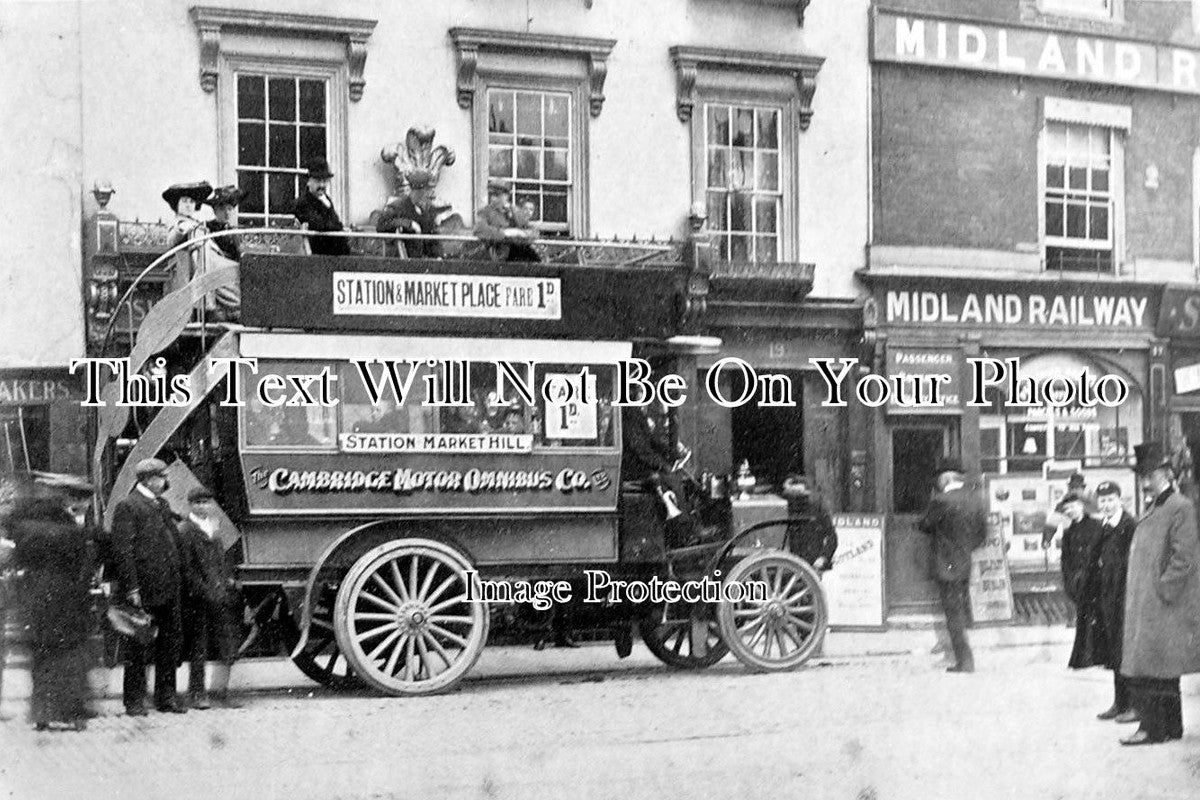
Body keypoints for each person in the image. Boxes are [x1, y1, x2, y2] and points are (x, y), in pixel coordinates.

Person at [1118, 443, 1200, 745]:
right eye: (1141, 475)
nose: (1143, 481)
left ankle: (1151, 729)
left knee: (1153, 667)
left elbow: (1185, 557)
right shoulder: (1156, 506)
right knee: (1161, 668)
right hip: (1151, 602)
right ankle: (1170, 728)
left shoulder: (1180, 506)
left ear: (1165, 474)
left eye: (1148, 475)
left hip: (1163, 603)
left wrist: (1163, 589)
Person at [7, 479, 95, 731]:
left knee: (43, 659)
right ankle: (72, 713)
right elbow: (79, 555)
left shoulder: (27, 522)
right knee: (69, 658)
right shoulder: (67, 524)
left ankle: (42, 713)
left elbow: (20, 554)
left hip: (37, 599)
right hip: (66, 598)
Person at [109, 458, 187, 715]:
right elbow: (123, 551)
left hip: (168, 587)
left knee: (169, 643)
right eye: (162, 477)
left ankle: (166, 698)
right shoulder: (128, 506)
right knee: (138, 646)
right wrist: (132, 589)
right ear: (148, 480)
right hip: (143, 589)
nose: (165, 482)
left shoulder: (161, 505)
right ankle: (134, 701)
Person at [917, 458, 987, 673]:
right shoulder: (974, 499)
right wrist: (964, 548)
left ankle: (964, 662)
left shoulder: (941, 500)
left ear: (945, 478)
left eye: (938, 479)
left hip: (945, 565)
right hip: (964, 563)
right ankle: (964, 659)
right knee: (960, 611)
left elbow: (926, 525)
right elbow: (981, 535)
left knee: (953, 615)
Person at [178, 487, 243, 710]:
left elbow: (221, 560)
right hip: (199, 597)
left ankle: (222, 690)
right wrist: (204, 590)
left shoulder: (214, 526)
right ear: (190, 505)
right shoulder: (185, 530)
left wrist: (226, 581)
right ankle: (197, 693)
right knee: (199, 646)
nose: (203, 506)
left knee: (225, 642)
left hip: (219, 594)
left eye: (206, 502)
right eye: (198, 503)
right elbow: (187, 569)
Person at [1089, 481, 1138, 722]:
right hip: (1109, 597)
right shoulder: (1104, 525)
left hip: (1125, 597)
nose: (1106, 505)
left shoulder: (1129, 525)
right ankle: (1120, 703)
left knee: (1126, 651)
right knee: (1114, 652)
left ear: (1119, 500)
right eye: (1103, 501)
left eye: (1110, 500)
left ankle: (1133, 705)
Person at [162, 181, 215, 296]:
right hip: (187, 270)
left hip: (207, 263)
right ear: (176, 203)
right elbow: (170, 241)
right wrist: (181, 229)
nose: (188, 205)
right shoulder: (176, 222)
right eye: (184, 201)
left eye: (191, 201)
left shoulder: (197, 223)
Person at [376, 169, 442, 259]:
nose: (427, 195)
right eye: (423, 192)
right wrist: (408, 223)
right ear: (415, 191)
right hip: (402, 263)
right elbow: (381, 226)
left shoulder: (428, 210)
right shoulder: (397, 206)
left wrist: (438, 256)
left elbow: (434, 238)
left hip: (424, 262)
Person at [293, 159, 351, 256]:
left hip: (337, 254)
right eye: (318, 181)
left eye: (325, 181)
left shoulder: (326, 200)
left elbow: (337, 224)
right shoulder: (303, 203)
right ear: (308, 182)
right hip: (319, 256)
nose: (322, 185)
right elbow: (320, 225)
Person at [781, 473, 838, 573]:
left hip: (812, 565)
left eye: (799, 495)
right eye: (791, 495)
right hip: (788, 566)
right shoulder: (783, 510)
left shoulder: (818, 509)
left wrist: (823, 558)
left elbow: (832, 536)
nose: (796, 500)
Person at [473, 180, 540, 263]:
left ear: (506, 196)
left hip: (517, 255)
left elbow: (534, 231)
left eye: (497, 195)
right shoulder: (485, 212)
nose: (493, 198)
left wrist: (521, 233)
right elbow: (479, 230)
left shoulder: (515, 211)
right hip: (496, 256)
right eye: (491, 195)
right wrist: (505, 233)